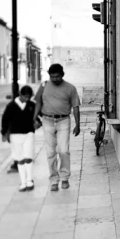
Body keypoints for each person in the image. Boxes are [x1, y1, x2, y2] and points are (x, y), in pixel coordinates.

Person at [34, 63, 81, 191]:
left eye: (57, 77)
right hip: (47, 120)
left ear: (62, 75)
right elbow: (38, 102)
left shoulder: (70, 88)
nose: (54, 79)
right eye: (52, 77)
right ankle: (54, 180)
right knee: (50, 152)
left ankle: (65, 177)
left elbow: (76, 106)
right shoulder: (44, 86)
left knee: (64, 150)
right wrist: (34, 119)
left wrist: (78, 124)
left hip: (63, 121)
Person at [0, 85, 40, 192]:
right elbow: (5, 119)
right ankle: (23, 182)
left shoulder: (32, 105)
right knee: (20, 158)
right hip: (15, 135)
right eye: (25, 97)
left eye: (29, 97)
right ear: (20, 95)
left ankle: (29, 180)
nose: (27, 99)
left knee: (28, 157)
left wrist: (38, 123)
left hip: (29, 133)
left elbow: (38, 117)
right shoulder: (11, 106)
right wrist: (4, 133)